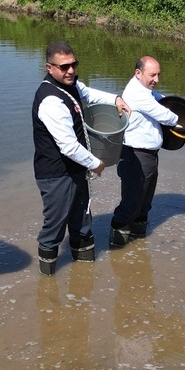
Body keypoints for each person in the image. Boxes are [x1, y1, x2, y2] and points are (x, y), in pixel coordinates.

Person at [32, 41, 129, 275]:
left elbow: (88, 94)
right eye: (64, 67)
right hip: (56, 174)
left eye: (73, 64)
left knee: (83, 220)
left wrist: (115, 98)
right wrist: (96, 163)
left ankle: (85, 278)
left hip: (75, 171)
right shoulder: (50, 100)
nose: (71, 71)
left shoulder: (71, 85)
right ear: (49, 67)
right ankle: (47, 285)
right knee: (54, 226)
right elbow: (68, 146)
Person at [108, 56, 181, 247]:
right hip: (135, 154)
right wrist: (181, 121)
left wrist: (174, 105)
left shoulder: (145, 89)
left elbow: (162, 101)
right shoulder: (136, 93)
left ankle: (139, 243)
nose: (156, 79)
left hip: (148, 155)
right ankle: (118, 239)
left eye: (158, 74)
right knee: (133, 199)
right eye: (152, 75)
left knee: (145, 198)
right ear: (138, 73)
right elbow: (165, 115)